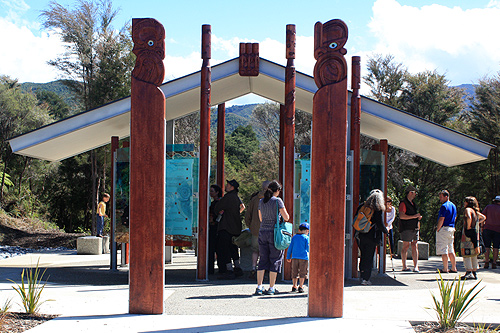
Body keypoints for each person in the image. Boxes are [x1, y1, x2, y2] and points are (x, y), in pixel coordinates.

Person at [255, 180, 290, 295]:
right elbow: (286, 217)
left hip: (262, 232)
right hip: (274, 233)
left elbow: (260, 219)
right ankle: (271, 288)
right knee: (275, 259)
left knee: (263, 260)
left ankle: (259, 287)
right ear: (278, 190)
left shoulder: (261, 201)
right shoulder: (277, 201)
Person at [215, 179, 245, 279]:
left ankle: (229, 270)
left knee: (225, 248)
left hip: (226, 227)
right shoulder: (236, 197)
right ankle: (237, 267)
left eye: (228, 185)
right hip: (235, 227)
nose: (226, 186)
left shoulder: (228, 197)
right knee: (233, 248)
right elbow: (242, 206)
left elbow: (217, 207)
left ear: (232, 187)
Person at [357, 189, 388, 285]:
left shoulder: (362, 206)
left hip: (361, 235)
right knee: (369, 257)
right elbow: (380, 223)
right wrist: (386, 231)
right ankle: (366, 278)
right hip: (372, 236)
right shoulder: (377, 209)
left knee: (363, 255)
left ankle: (361, 275)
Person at [245, 180, 270, 279]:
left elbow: (248, 215)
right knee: (266, 251)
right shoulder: (272, 199)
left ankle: (253, 267)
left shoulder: (254, 199)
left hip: (255, 229)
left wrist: (250, 226)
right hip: (268, 229)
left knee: (255, 250)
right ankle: (265, 270)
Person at [460, 196, 486, 280]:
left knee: (466, 253)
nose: (464, 203)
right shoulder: (475, 211)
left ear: (468, 203)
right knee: (474, 252)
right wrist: (477, 224)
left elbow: (468, 216)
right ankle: (474, 271)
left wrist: (468, 226)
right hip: (475, 233)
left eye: (465, 202)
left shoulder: (468, 210)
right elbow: (484, 217)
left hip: (468, 234)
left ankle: (469, 271)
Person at [399, 186, 422, 272]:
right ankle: (404, 266)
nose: (415, 194)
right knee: (406, 246)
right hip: (406, 228)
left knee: (415, 245)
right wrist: (413, 216)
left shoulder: (414, 204)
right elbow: (401, 216)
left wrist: (417, 218)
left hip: (415, 228)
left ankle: (416, 266)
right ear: (410, 193)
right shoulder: (403, 203)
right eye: (414, 192)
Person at [436, 190, 458, 273]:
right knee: (451, 248)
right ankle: (453, 267)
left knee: (444, 249)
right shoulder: (453, 206)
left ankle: (445, 268)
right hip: (451, 228)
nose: (440, 199)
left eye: (441, 197)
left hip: (444, 228)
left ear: (446, 196)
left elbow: (442, 218)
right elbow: (455, 217)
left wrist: (438, 228)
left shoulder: (444, 206)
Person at [286, 222, 310, 293]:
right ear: (307, 231)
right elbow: (308, 248)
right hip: (304, 258)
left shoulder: (294, 237)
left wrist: (288, 256)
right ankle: (301, 286)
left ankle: (294, 286)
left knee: (294, 272)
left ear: (299, 230)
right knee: (303, 272)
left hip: (294, 257)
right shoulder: (306, 238)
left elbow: (290, 248)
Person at [481, 196, 500, 269]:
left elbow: (483, 217)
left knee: (487, 246)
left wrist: (482, 226)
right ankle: (494, 262)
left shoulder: (488, 207)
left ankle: (486, 261)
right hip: (498, 230)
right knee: (496, 246)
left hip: (487, 228)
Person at [208, 184, 223, 275]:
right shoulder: (213, 202)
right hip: (214, 226)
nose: (210, 193)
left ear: (217, 192)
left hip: (215, 227)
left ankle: (212, 268)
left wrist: (214, 220)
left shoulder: (218, 203)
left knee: (215, 248)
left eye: (212, 191)